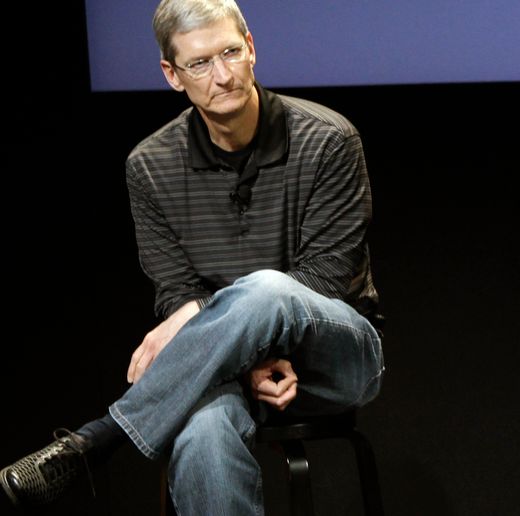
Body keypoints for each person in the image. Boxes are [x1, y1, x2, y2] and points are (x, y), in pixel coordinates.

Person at [0, 0, 384, 513]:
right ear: (172, 74)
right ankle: (110, 437)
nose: (223, 75)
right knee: (202, 430)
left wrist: (205, 314)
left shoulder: (329, 139)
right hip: (220, 368)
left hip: (332, 357)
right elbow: (175, 293)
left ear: (251, 49)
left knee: (270, 288)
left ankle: (104, 436)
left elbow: (324, 280)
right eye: (200, 63)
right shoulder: (150, 165)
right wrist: (241, 356)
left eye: (230, 53)